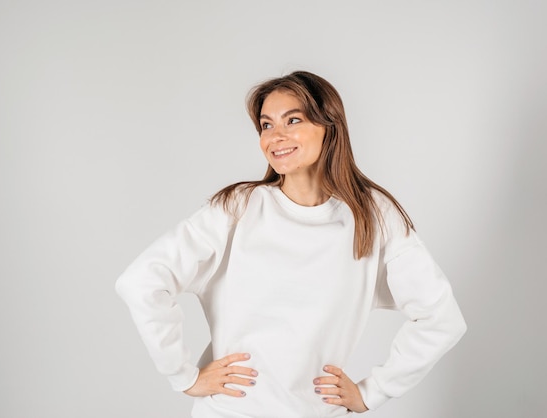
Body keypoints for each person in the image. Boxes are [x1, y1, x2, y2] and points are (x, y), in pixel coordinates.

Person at [115, 71, 467, 417]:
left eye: (292, 120)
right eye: (266, 125)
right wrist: (183, 376)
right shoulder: (239, 207)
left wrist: (373, 392)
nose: (275, 136)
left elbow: (441, 318)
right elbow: (143, 281)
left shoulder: (372, 214)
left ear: (329, 126)